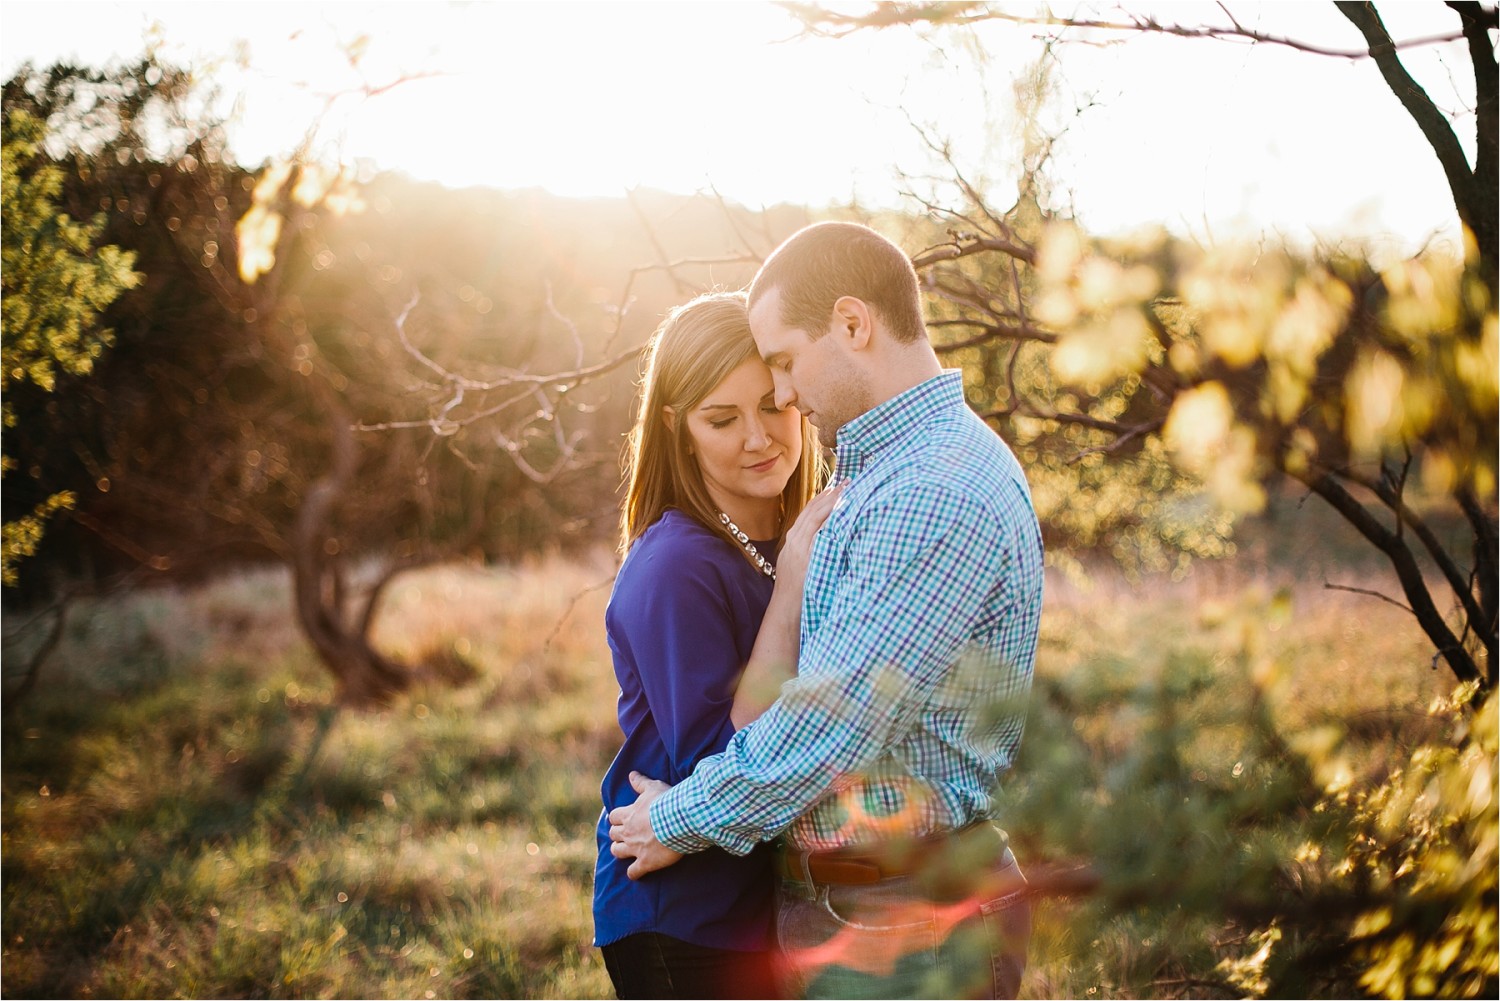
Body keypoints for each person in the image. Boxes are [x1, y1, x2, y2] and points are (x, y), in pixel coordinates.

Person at [607, 222, 1045, 999]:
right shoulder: (886, 470)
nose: (779, 395)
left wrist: (673, 819)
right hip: (873, 909)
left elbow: (829, 729)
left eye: (782, 362)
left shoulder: (930, 490)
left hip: (906, 916)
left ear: (852, 324)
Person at [592, 290, 837, 999]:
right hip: (683, 915)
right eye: (722, 418)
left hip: (759, 908)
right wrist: (790, 586)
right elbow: (718, 763)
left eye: (773, 404)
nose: (759, 437)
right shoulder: (678, 564)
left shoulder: (793, 534)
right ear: (679, 427)